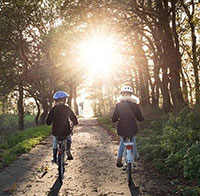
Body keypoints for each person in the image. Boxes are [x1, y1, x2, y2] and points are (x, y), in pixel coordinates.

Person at [112, 85, 144, 167]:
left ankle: (119, 158)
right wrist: (140, 119)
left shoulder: (118, 105)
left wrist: (115, 120)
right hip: (132, 127)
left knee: (122, 141)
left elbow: (114, 118)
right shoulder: (135, 105)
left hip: (121, 127)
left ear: (122, 94)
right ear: (131, 94)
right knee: (132, 138)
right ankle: (135, 156)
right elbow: (140, 118)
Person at [46, 91, 78, 163]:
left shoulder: (53, 109)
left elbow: (48, 121)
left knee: (55, 141)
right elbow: (73, 117)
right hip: (66, 131)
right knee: (69, 139)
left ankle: (54, 157)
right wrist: (75, 123)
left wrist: (49, 122)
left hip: (56, 131)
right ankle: (68, 151)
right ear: (65, 100)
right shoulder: (67, 108)